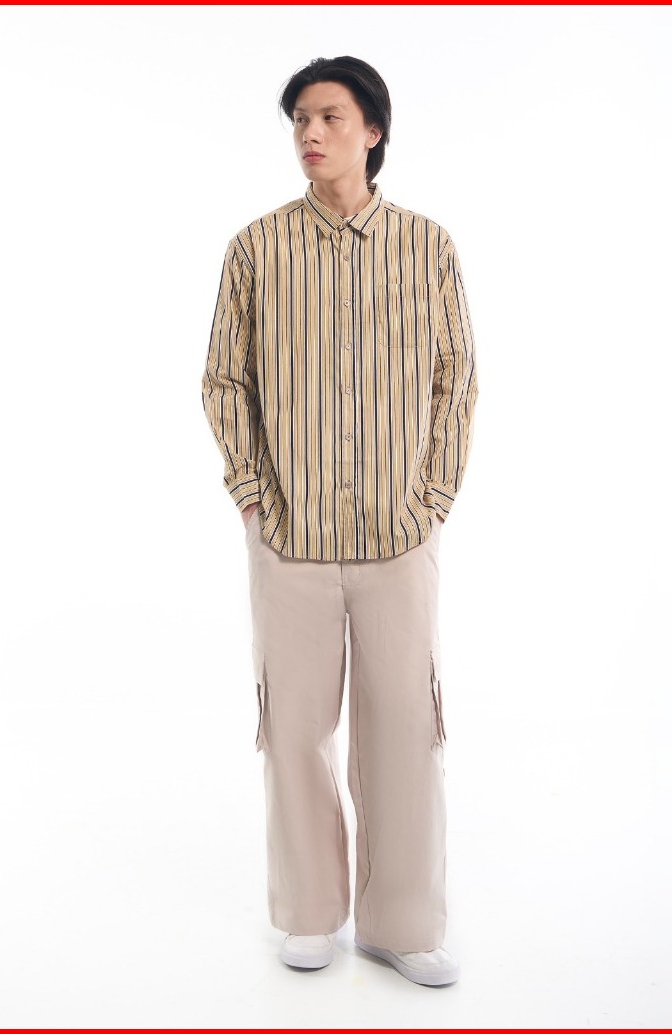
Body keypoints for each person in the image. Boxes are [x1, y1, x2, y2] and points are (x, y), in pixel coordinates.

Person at [201, 55, 478, 987]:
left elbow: (456, 382)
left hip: (400, 536)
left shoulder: (428, 246)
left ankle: (402, 924)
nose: (309, 134)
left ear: (373, 130)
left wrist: (432, 499)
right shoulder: (256, 248)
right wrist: (254, 496)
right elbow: (224, 380)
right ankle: (309, 913)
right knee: (293, 730)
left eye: (328, 117)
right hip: (290, 539)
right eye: (299, 121)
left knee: (404, 729)